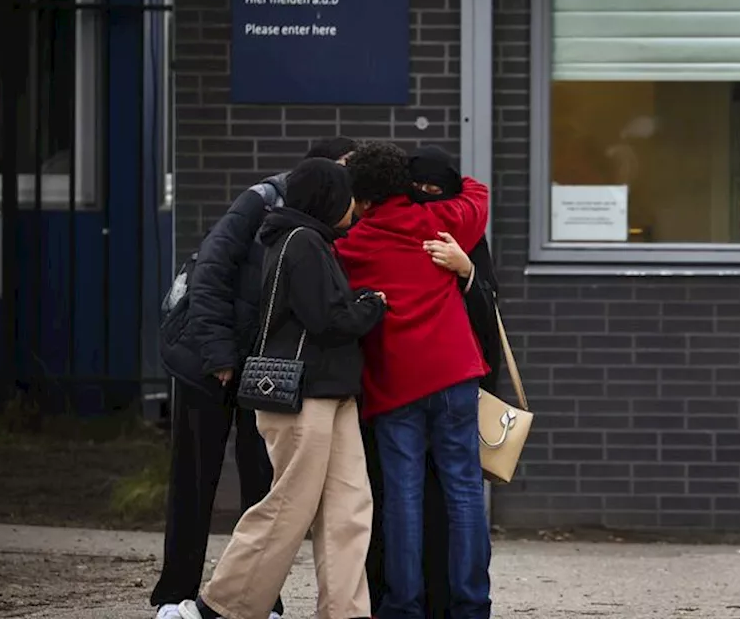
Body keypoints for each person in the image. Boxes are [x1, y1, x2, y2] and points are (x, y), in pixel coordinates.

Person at [153, 137, 358, 619]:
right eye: (346, 173)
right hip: (209, 360)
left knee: (262, 481)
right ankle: (174, 593)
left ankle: (260, 599)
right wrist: (219, 355)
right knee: (194, 478)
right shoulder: (262, 200)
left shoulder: (323, 227)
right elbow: (211, 273)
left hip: (261, 368)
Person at [337, 140, 493, 619]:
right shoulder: (436, 223)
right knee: (465, 490)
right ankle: (471, 604)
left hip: (396, 383)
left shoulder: (350, 245)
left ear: (360, 199)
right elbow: (480, 195)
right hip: (454, 373)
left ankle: (404, 605)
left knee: (402, 496)